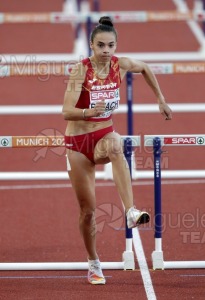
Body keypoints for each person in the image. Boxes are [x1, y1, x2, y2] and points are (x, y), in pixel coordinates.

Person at [62, 16, 172, 285]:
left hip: (103, 135)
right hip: (78, 144)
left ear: (115, 46)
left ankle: (131, 211)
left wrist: (161, 99)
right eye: (100, 45)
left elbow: (145, 67)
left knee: (116, 143)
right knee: (88, 211)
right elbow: (66, 111)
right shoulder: (80, 71)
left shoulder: (119, 65)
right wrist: (88, 111)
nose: (106, 50)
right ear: (91, 45)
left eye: (111, 45)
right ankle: (93, 262)